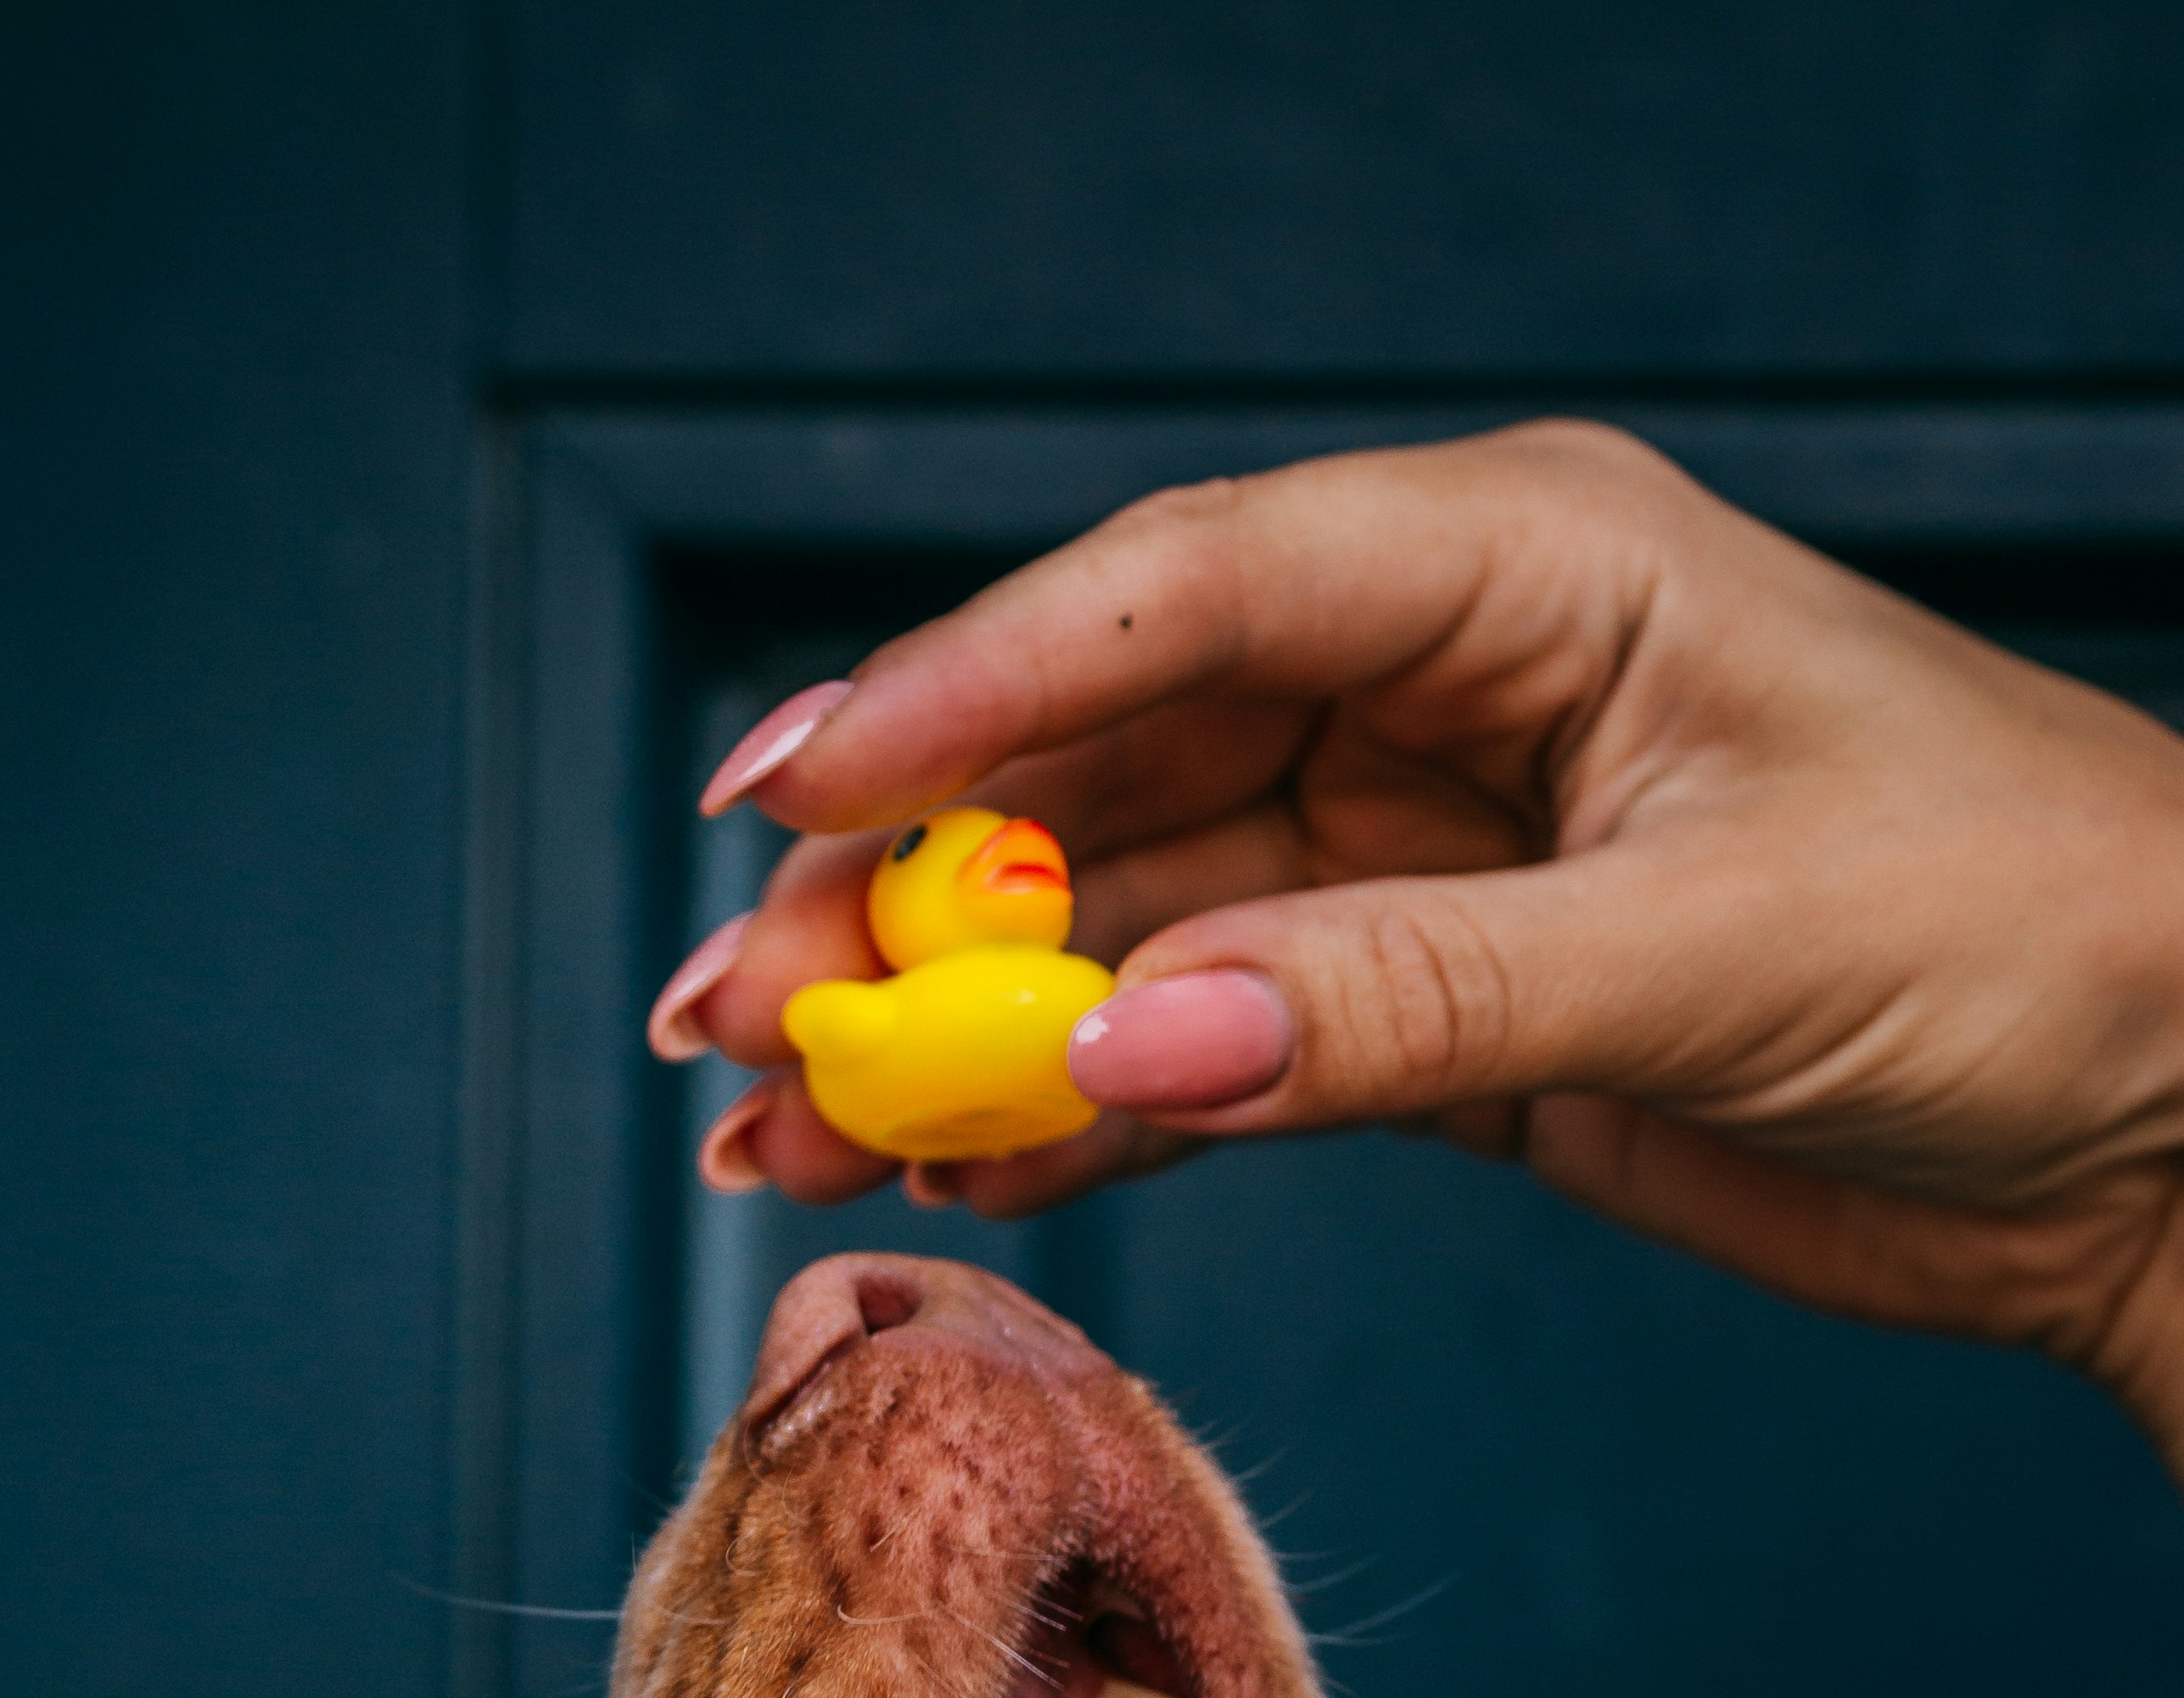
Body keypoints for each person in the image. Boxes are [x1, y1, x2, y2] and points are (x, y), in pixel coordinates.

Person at [646, 422, 2184, 1486]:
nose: (997, 851)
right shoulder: (986, 1003)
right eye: (924, 849)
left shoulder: (1084, 992)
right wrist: (2126, 1247)